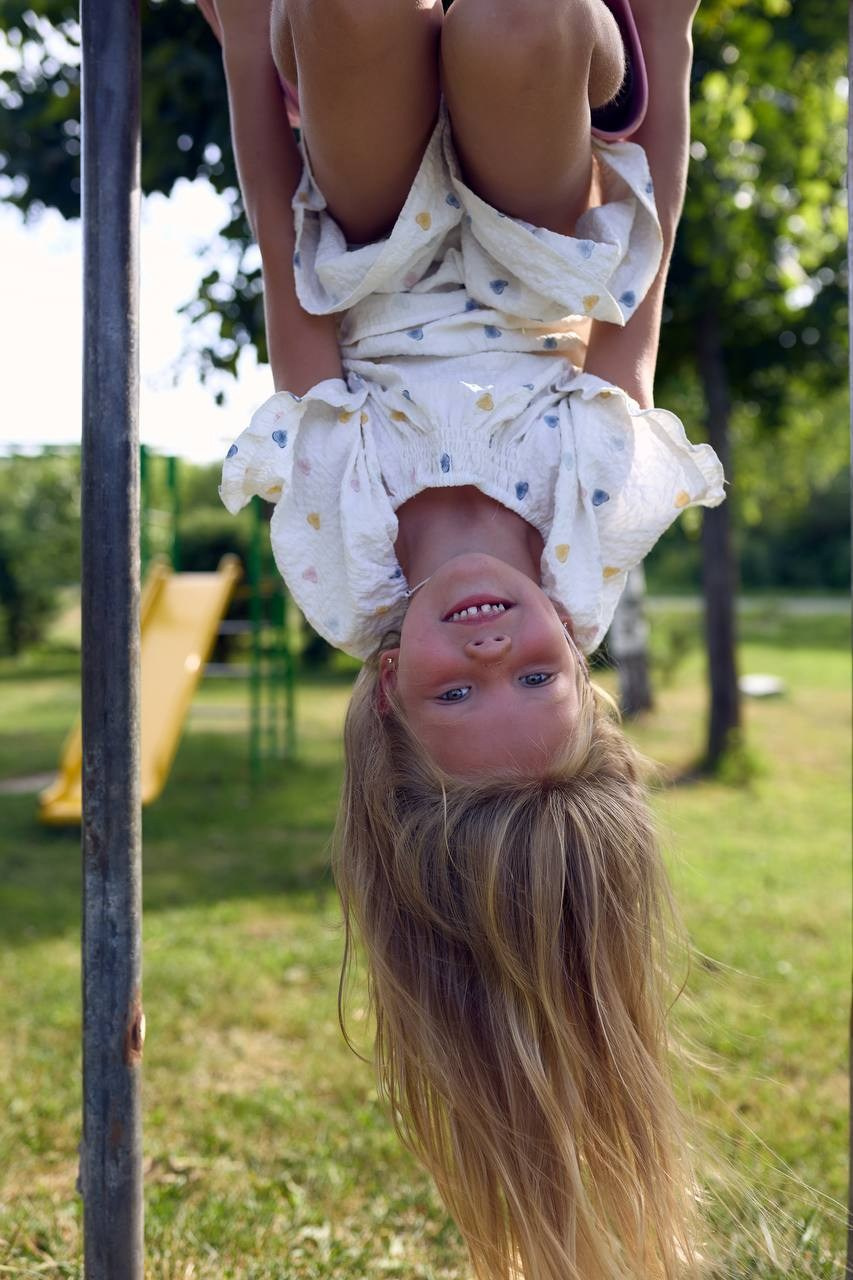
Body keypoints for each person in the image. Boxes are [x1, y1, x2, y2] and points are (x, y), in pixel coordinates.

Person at [205, 0, 723, 1274]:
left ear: (387, 692)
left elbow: (295, 310)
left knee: (335, 17)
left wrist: (234, 48)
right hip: (539, 242)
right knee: (516, 25)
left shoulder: (336, 559)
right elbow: (633, 321)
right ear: (582, 671)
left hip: (371, 248)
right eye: (534, 675)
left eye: (455, 696)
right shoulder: (589, 540)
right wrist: (668, 36)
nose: (490, 645)